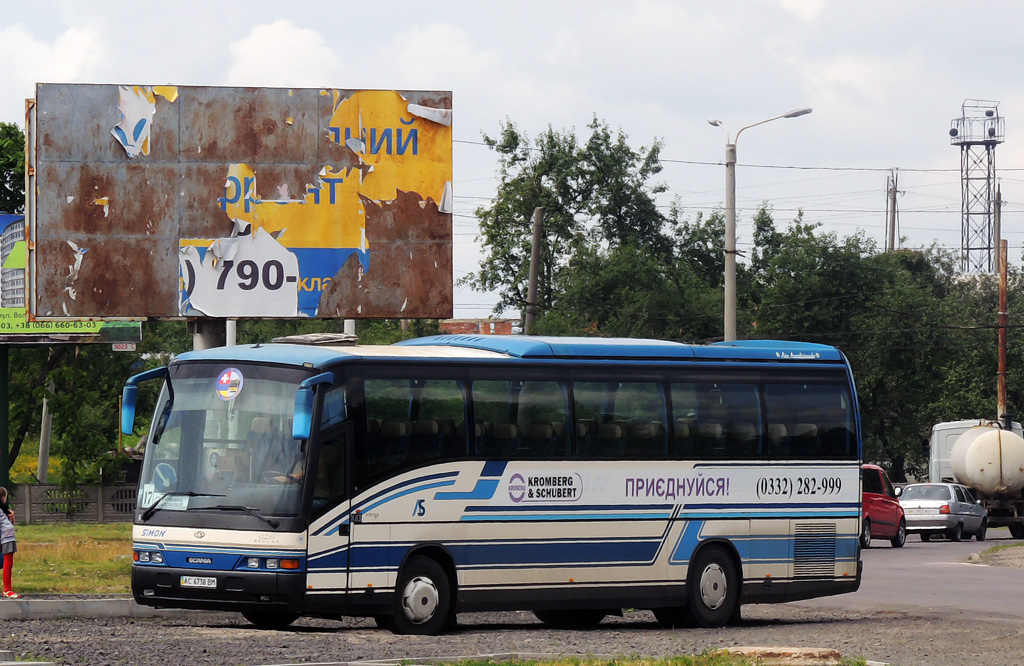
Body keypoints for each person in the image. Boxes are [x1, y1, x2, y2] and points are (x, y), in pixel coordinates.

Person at [0, 488, 18, 598]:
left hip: (7, 536)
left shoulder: (3, 509)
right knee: (8, 563)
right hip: (6, 537)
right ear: (4, 497)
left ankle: (7, 589)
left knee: (8, 562)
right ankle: (7, 589)